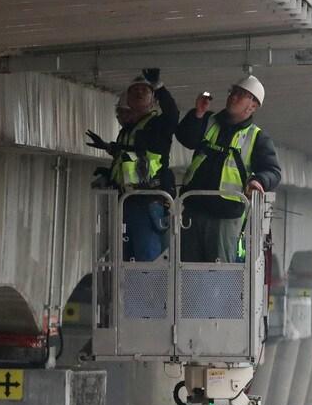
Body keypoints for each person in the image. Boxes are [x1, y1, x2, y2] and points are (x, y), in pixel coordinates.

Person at [175, 74, 281, 263]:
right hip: (193, 208)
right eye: (233, 92)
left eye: (241, 95)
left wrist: (259, 180)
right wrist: (197, 113)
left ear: (252, 106)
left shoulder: (257, 138)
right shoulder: (207, 120)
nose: (233, 97)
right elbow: (186, 138)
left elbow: (273, 171)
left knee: (219, 274)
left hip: (225, 216)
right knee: (187, 271)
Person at [86, 68, 180, 261]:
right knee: (125, 261)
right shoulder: (128, 131)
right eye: (134, 91)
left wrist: (159, 87)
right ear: (127, 99)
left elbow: (172, 115)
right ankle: (127, 292)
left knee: (147, 263)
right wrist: (108, 151)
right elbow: (129, 154)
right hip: (127, 202)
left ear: (153, 99)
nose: (138, 93)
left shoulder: (156, 125)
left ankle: (148, 292)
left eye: (144, 91)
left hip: (148, 202)